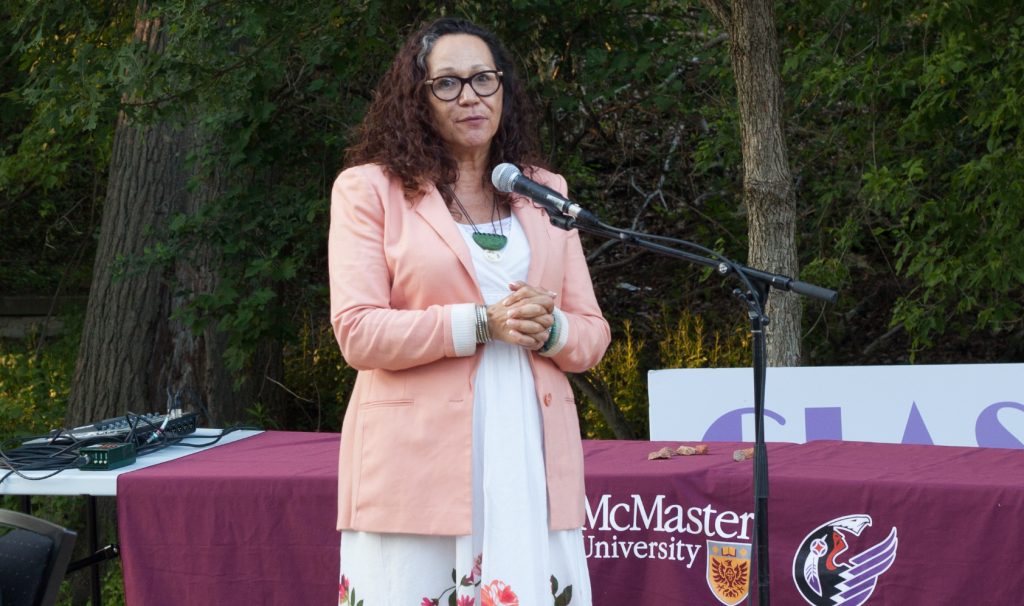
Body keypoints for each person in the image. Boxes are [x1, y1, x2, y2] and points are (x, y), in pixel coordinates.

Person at [328, 17, 610, 606]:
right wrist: (482, 321)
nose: (471, 96)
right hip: (415, 463)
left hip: (527, 458)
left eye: (484, 79)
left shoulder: (543, 188)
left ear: (504, 88)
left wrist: (549, 327)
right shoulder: (369, 189)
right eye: (448, 84)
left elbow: (590, 335)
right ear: (417, 99)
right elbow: (358, 332)